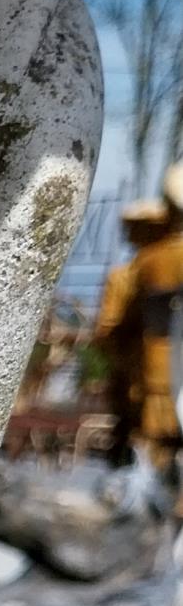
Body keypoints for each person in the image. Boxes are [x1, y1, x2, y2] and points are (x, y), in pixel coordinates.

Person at [93, 175, 183, 488]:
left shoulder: (147, 265)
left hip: (154, 378)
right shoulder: (138, 269)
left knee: (152, 458)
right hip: (154, 377)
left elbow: (113, 329)